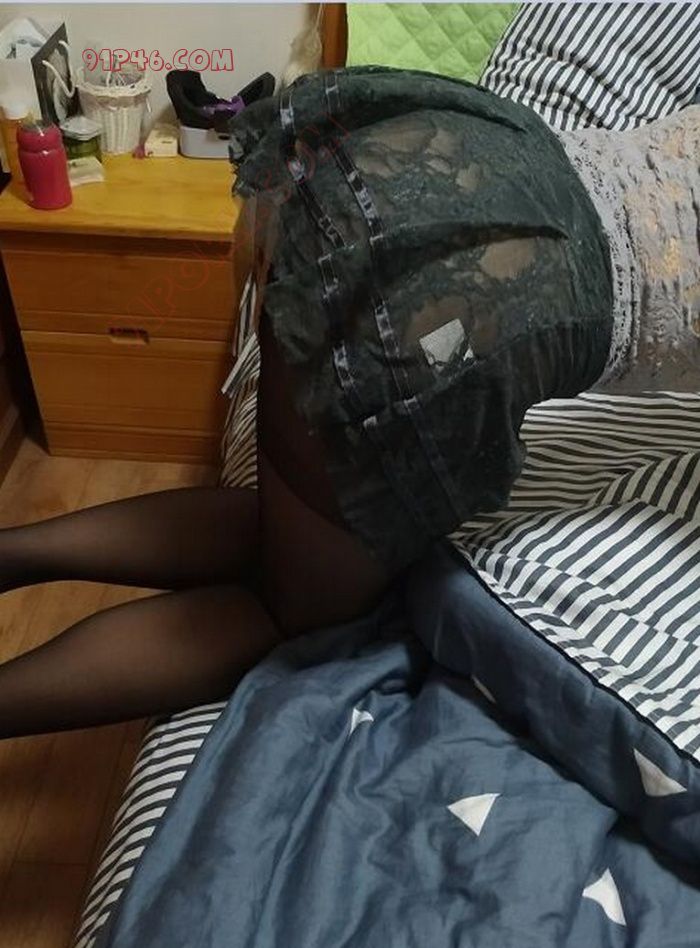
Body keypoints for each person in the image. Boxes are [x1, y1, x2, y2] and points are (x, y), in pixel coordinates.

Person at [0, 9, 699, 739]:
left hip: (429, 163)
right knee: (285, 611)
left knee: (285, 522)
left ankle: (9, 551)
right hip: (518, 287)